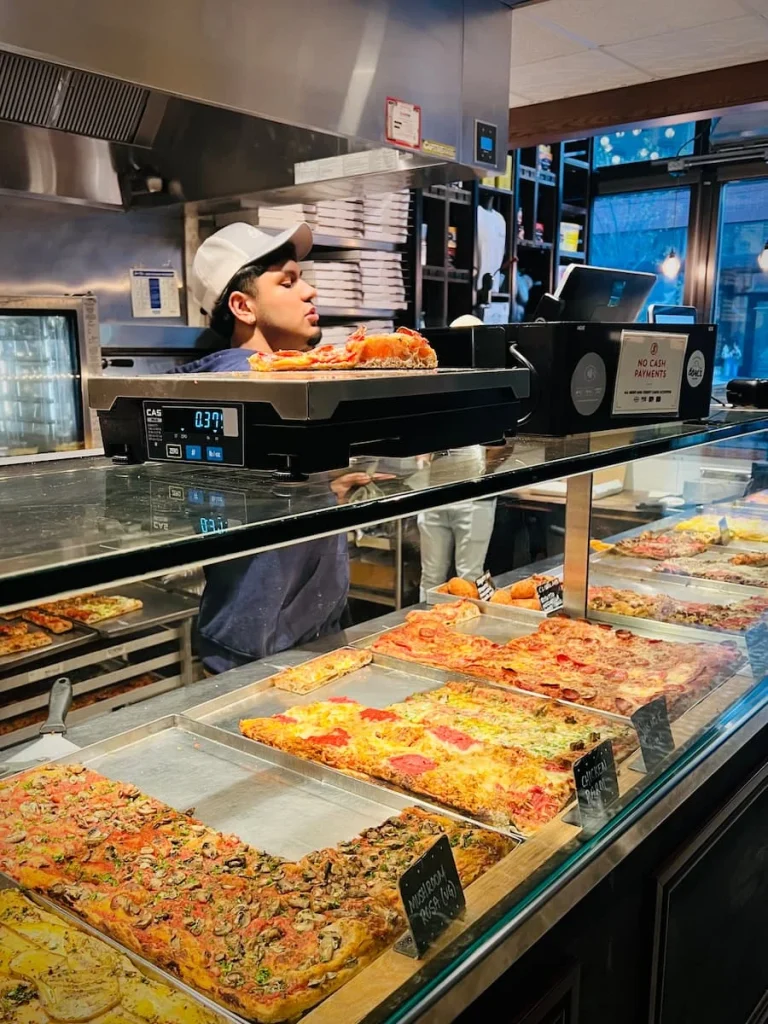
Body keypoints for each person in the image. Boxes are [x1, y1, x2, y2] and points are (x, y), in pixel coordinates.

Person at [179, 222, 359, 673]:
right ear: (242, 306)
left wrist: (323, 492)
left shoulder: (283, 387)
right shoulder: (241, 388)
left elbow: (260, 496)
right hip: (255, 654)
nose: (311, 291)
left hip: (296, 639)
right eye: (288, 281)